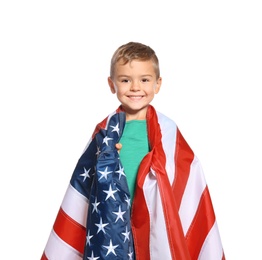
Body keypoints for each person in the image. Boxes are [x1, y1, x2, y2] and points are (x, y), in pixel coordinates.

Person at [41, 42, 225, 260]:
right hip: (112, 219)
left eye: (144, 80)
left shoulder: (168, 131)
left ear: (158, 84)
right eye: (125, 80)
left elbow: (186, 175)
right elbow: (85, 179)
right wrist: (107, 158)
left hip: (153, 220)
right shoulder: (105, 130)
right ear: (112, 84)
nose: (136, 87)